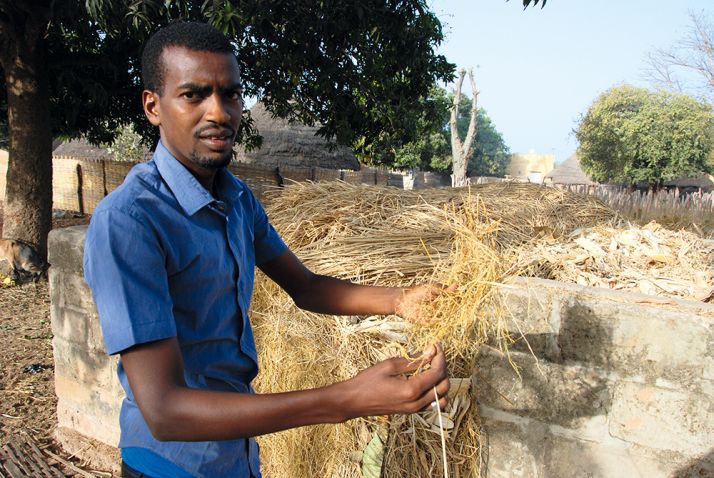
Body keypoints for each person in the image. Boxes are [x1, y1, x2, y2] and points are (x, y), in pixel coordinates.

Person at [84, 21, 449, 478]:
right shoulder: (131, 220)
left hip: (236, 458)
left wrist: (399, 300)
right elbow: (165, 410)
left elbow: (307, 287)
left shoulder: (236, 199)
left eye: (231, 94)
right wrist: (346, 400)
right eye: (193, 95)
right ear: (153, 106)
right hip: (169, 466)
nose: (219, 112)